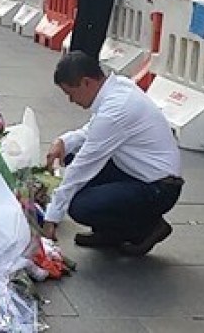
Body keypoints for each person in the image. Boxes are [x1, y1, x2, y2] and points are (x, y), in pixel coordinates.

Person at [41, 52, 183, 255]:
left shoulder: (117, 109)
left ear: (86, 82)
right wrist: (63, 142)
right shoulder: (117, 89)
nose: (71, 100)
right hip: (140, 172)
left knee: (80, 206)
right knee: (71, 154)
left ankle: (146, 228)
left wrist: (51, 218)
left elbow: (82, 167)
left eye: (70, 93)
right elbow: (91, 132)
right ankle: (110, 232)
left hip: (158, 187)